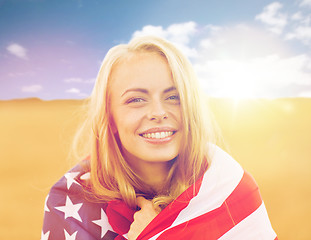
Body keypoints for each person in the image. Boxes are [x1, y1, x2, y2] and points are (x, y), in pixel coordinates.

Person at [41, 36, 277, 240]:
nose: (158, 112)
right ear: (110, 118)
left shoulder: (230, 188)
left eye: (173, 97)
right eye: (136, 99)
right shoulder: (72, 203)